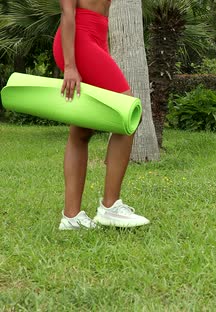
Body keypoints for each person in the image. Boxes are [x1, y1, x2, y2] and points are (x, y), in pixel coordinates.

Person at [53, 0, 149, 230]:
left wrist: (102, 48)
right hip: (79, 38)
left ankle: (72, 216)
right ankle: (110, 207)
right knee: (127, 111)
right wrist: (69, 66)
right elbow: (67, 12)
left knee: (82, 130)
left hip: (97, 37)